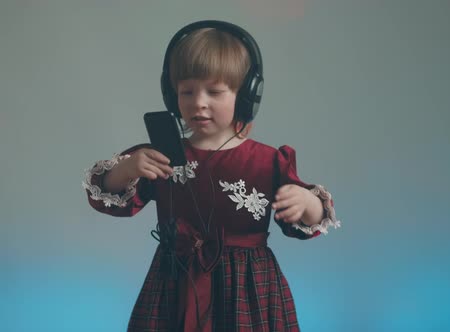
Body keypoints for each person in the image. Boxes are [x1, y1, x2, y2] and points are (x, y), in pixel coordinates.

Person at [82, 20, 340, 332]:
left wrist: (306, 202)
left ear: (245, 96)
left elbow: (308, 221)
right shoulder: (162, 155)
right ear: (171, 94)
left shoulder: (267, 161)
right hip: (175, 280)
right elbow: (107, 194)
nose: (198, 102)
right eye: (186, 91)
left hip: (248, 288)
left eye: (214, 91)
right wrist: (126, 169)